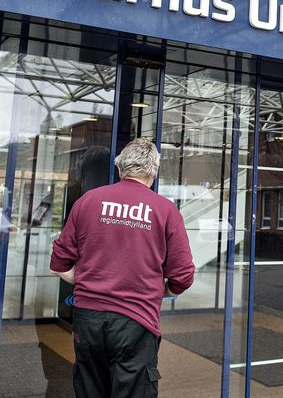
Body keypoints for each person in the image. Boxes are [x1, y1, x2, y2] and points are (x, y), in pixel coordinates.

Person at [50, 138, 195, 398]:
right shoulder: (165, 211)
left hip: (88, 319)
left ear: (120, 168)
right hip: (136, 321)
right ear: (154, 171)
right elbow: (182, 276)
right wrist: (157, 291)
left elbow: (59, 262)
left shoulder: (88, 201)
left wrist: (85, 282)